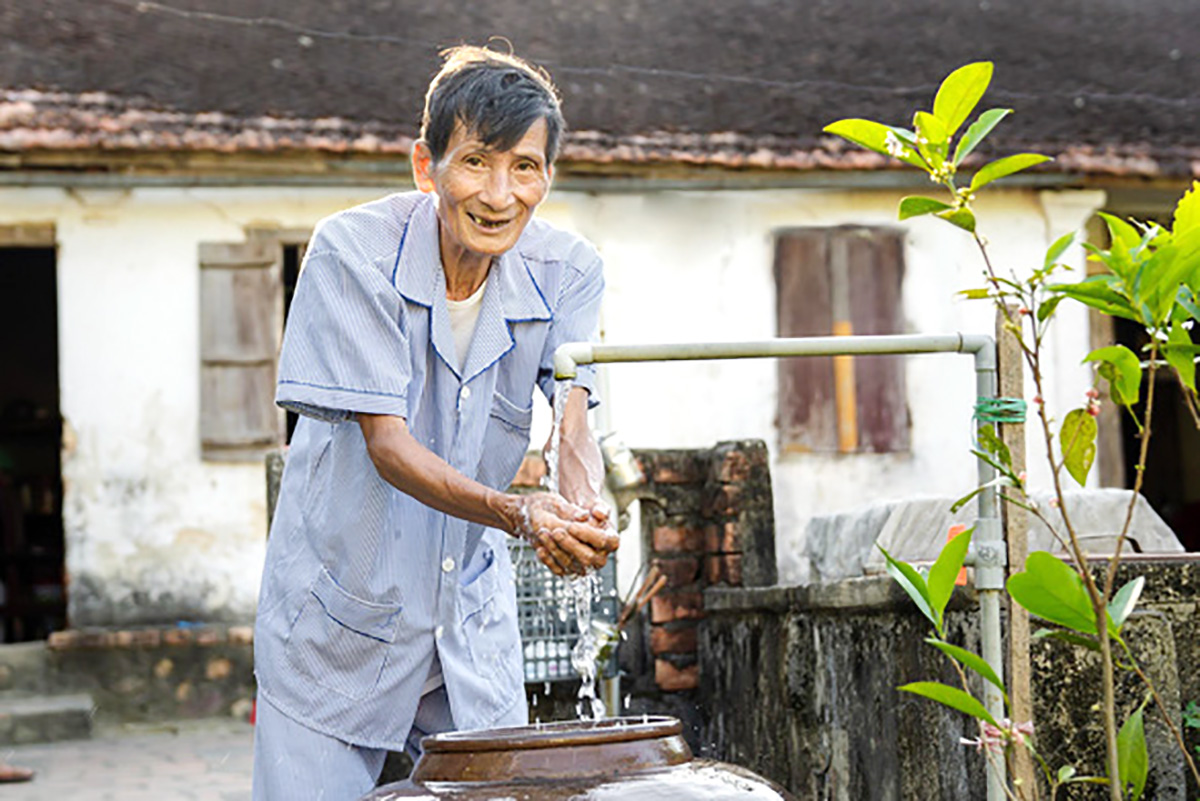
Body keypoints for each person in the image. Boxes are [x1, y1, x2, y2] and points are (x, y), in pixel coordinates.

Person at [251, 45, 619, 800]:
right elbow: (388, 446)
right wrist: (520, 512)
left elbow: (575, 414)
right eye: (476, 161)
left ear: (547, 176)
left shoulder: (568, 270)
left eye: (525, 166)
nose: (499, 193)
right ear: (428, 167)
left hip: (467, 624)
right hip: (340, 618)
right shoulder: (352, 253)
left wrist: (581, 508)